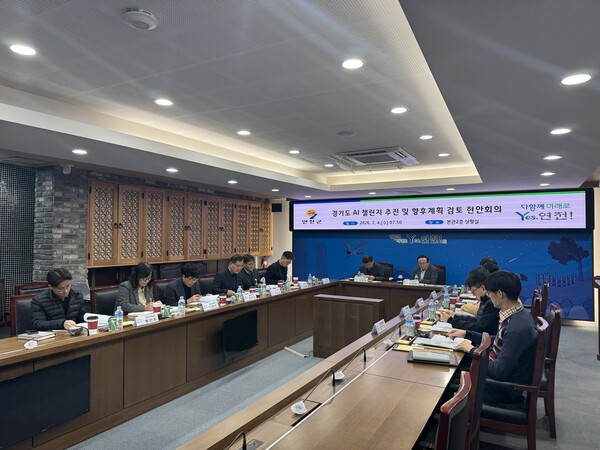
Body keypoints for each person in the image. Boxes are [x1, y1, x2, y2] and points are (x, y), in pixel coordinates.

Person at [450, 270, 537, 404]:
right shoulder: (518, 314)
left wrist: (472, 350)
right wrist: (467, 334)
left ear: (500, 294)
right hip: (495, 379)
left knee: (446, 387)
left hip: (501, 389)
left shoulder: (517, 328)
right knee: (455, 369)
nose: (488, 296)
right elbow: (498, 340)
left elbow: (499, 371)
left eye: (490, 293)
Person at [439, 266, 499, 334]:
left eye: (473, 291)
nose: (473, 294)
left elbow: (478, 328)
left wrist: (451, 321)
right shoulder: (485, 299)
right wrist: (454, 316)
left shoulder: (492, 303)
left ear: (483, 288)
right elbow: (478, 321)